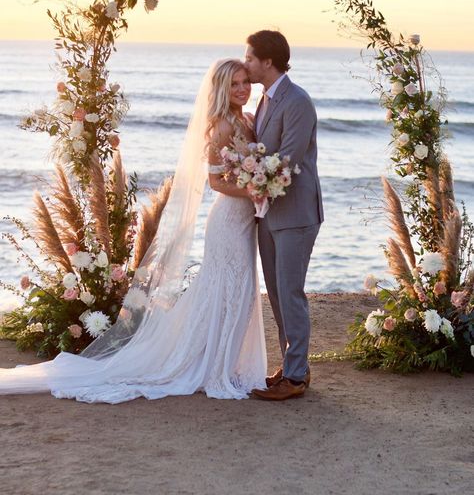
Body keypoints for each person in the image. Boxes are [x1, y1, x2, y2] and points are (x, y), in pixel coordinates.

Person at [0, 59, 267, 403]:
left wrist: (262, 182)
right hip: (229, 220)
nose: (243, 89)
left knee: (240, 294)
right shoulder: (220, 128)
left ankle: (223, 361)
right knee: (227, 292)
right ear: (221, 89)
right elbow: (216, 182)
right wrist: (252, 191)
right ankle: (212, 366)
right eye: (234, 84)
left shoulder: (245, 120)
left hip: (246, 220)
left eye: (245, 82)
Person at [244, 30, 324, 401]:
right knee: (275, 294)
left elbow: (287, 159)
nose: (246, 64)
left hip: (295, 213)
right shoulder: (264, 100)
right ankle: (293, 366)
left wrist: (251, 179)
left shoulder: (297, 101)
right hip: (268, 213)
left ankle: (295, 377)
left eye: (249, 58)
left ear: (268, 61)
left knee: (290, 293)